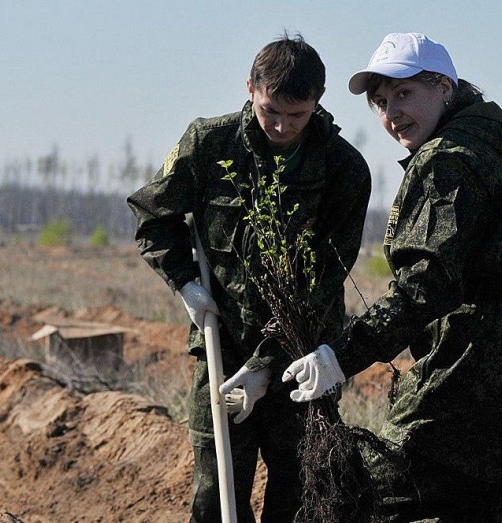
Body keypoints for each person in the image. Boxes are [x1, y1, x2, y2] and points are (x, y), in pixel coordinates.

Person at [283, 32, 502, 522]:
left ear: (443, 87)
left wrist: (339, 357)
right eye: (380, 102)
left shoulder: (447, 160)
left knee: (356, 497)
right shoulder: (500, 144)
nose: (391, 114)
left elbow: (426, 285)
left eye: (404, 94)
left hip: (482, 357)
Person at [127, 34, 371, 522]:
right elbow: (153, 217)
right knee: (216, 497)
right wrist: (185, 285)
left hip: (301, 362)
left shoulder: (345, 170)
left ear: (317, 102)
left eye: (296, 115)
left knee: (299, 498)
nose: (281, 126)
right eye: (269, 111)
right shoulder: (209, 144)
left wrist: (267, 365)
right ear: (250, 89)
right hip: (223, 352)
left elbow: (322, 283)